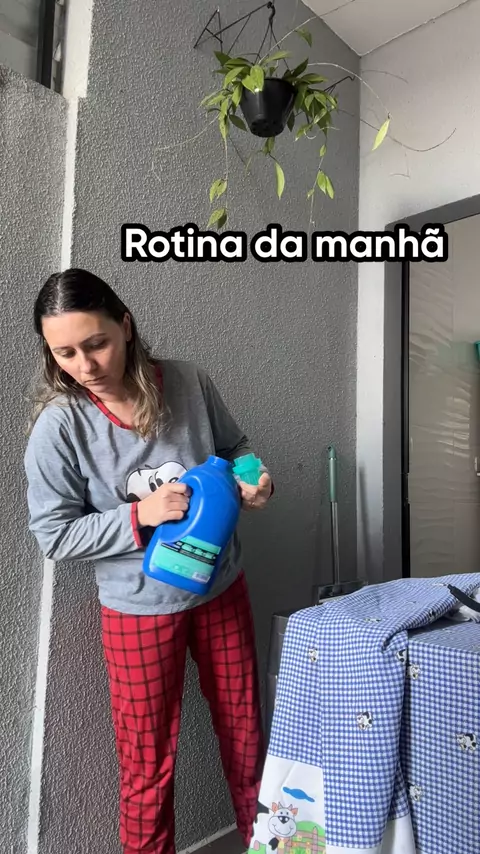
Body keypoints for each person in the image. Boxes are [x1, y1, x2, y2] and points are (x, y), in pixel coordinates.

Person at [24, 268, 274, 854]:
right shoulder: (60, 426)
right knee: (147, 767)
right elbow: (53, 536)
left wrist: (254, 479)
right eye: (65, 353)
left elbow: (235, 449)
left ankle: (271, 845)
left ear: (126, 325)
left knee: (248, 739)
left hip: (220, 590)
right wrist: (141, 516)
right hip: (138, 611)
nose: (85, 365)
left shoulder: (188, 381)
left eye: (97, 343)